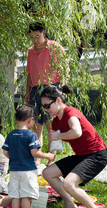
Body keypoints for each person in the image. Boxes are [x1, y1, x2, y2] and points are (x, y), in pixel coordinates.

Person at [40, 85, 107, 208]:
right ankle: (70, 204)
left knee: (69, 183)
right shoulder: (56, 122)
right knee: (47, 173)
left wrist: (58, 136)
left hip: (97, 155)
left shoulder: (71, 112)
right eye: (44, 107)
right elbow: (56, 143)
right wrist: (50, 158)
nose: (46, 109)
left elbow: (77, 132)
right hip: (81, 156)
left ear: (58, 100)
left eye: (48, 105)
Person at [2, 104, 55, 208]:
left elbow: (5, 152)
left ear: (16, 119)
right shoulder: (31, 135)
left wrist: (15, 158)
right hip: (27, 171)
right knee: (26, 195)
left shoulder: (11, 134)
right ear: (31, 119)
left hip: (14, 170)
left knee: (15, 195)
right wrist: (48, 155)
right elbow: (34, 152)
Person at [25, 23, 65, 165]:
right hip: (36, 89)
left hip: (51, 88)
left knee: (51, 123)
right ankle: (37, 158)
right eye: (32, 37)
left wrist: (61, 89)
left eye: (37, 36)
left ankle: (52, 156)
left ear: (43, 33)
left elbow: (63, 68)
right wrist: (27, 92)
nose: (35, 40)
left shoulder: (55, 47)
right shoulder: (31, 51)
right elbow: (29, 73)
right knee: (37, 124)